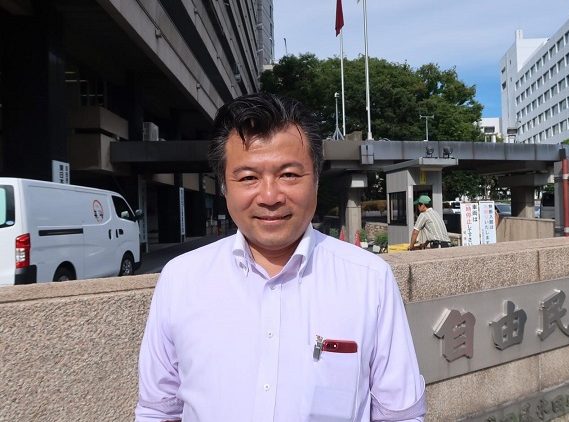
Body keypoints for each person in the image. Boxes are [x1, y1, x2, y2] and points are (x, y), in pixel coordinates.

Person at [135, 93, 426, 422]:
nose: (270, 196)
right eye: (248, 177)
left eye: (288, 175)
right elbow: (158, 411)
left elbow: (400, 414)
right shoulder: (181, 280)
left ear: (316, 180)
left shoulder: (369, 280)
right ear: (224, 187)